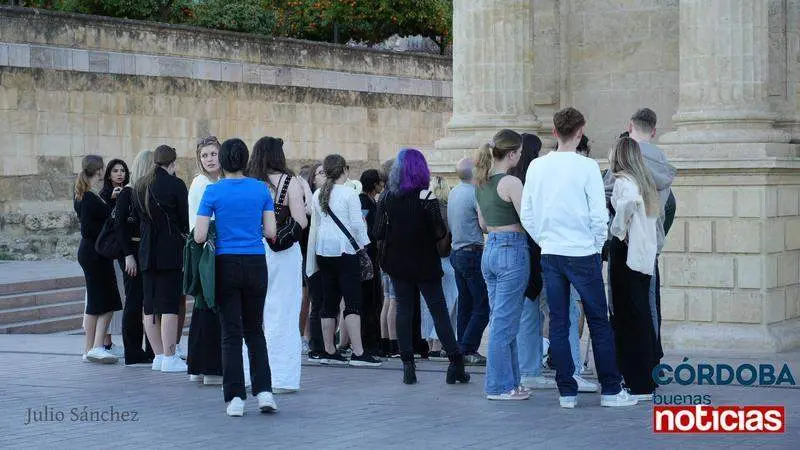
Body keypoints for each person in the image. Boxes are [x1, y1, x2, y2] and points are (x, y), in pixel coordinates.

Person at [520, 107, 636, 408]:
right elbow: (599, 216)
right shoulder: (586, 167)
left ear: (555, 132)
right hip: (582, 252)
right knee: (598, 321)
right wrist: (596, 247)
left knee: (558, 322)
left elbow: (528, 215)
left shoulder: (536, 167)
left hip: (552, 252)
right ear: (580, 131)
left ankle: (566, 391)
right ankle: (610, 389)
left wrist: (544, 240)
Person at [194, 138, 278, 417]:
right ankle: (265, 392)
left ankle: (235, 398)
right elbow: (270, 232)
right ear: (244, 160)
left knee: (231, 333)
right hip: (256, 263)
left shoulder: (212, 192)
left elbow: (200, 235)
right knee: (255, 330)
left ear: (223, 160)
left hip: (225, 264)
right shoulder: (261, 189)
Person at [374, 148, 468, 384]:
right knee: (438, 310)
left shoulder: (386, 198)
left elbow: (377, 232)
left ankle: (408, 365)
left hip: (397, 261)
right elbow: (439, 232)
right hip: (424, 261)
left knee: (404, 310)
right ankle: (455, 362)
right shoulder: (427, 198)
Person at [603, 108, 676, 362]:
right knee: (650, 302)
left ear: (630, 125)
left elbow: (608, 198)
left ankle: (624, 359)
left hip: (624, 239)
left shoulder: (621, 156)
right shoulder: (663, 162)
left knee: (621, 302)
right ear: (654, 131)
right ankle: (652, 356)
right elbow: (669, 206)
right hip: (650, 239)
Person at [248, 136, 308, 393]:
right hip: (282, 254)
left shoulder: (248, 182)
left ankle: (249, 374)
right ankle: (282, 378)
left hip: (251, 250)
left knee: (250, 315)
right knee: (282, 312)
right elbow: (301, 221)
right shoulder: (289, 182)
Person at [473, 130, 529, 400]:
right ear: (511, 154)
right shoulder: (511, 182)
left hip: (491, 248)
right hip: (511, 248)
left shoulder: (481, 182)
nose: (520, 155)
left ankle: (512, 382)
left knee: (503, 321)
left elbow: (483, 224)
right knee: (504, 325)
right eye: (518, 152)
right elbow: (527, 219)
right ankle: (499, 386)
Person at [312, 154, 382, 367]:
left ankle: (328, 350)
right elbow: (357, 226)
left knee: (329, 300)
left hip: (323, 251)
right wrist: (365, 248)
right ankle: (359, 352)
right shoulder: (349, 194)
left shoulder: (318, 194)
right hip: (345, 251)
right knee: (353, 301)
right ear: (344, 169)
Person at [608, 137, 660, 401]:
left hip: (626, 254)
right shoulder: (645, 181)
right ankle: (647, 379)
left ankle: (637, 382)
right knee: (641, 318)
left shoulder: (623, 181)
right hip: (643, 257)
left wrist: (616, 229)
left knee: (628, 319)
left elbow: (626, 207)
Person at [505, 133, 557, 390]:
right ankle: (532, 367)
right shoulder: (533, 181)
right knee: (542, 310)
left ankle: (528, 366)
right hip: (538, 249)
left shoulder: (511, 179)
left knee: (525, 311)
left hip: (516, 249)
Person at [134, 145, 189, 373]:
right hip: (169, 251)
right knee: (169, 305)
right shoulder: (176, 184)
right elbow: (184, 220)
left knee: (149, 305)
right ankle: (169, 356)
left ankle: (158, 356)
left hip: (146, 251)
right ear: (172, 163)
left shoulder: (140, 185)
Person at [74, 154, 123, 364]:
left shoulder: (84, 194)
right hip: (95, 253)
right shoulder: (90, 197)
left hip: (90, 253)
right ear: (100, 170)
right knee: (108, 301)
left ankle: (90, 349)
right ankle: (96, 346)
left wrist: (110, 203)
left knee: (95, 302)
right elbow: (88, 228)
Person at [186, 136, 224, 386]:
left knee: (211, 305)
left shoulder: (223, 181)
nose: (210, 159)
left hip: (219, 247)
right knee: (206, 303)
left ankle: (203, 365)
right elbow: (199, 222)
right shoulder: (200, 184)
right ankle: (206, 366)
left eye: (213, 154)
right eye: (205, 155)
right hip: (205, 247)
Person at [113, 150, 155, 365]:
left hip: (145, 251)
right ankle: (132, 350)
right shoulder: (127, 193)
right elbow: (119, 227)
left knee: (148, 300)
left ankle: (151, 349)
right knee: (134, 300)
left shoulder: (146, 191)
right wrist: (128, 255)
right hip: (132, 252)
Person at [447, 158, 489, 366]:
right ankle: (468, 348)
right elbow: (484, 225)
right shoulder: (475, 193)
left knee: (465, 303)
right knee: (483, 305)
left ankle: (461, 347)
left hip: (457, 252)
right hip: (472, 253)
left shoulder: (454, 191)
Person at [420, 175, 458, 360]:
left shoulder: (424, 210)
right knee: (447, 304)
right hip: (447, 260)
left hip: (427, 261)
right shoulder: (449, 211)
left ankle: (430, 343)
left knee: (428, 305)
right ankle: (439, 342)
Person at [99, 158, 130, 356]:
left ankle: (110, 341)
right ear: (108, 174)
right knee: (108, 295)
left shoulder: (128, 192)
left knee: (120, 296)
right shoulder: (102, 195)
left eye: (122, 170)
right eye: (115, 170)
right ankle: (105, 341)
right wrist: (112, 199)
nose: (119, 174)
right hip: (106, 251)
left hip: (120, 251)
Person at [358, 169, 384, 356]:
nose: (382, 185)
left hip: (370, 254)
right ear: (374, 184)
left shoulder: (368, 201)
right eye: (380, 182)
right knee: (370, 299)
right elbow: (367, 228)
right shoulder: (365, 202)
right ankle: (370, 341)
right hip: (368, 255)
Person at [303, 162, 326, 361]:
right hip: (311, 258)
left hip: (326, 257)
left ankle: (325, 344)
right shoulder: (309, 201)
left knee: (325, 302)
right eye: (320, 173)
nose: (324, 176)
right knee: (316, 302)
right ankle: (315, 344)